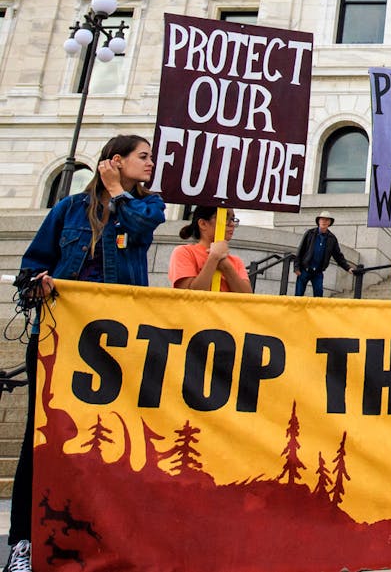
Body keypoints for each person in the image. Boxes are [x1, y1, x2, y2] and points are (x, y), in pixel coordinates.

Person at [15, 134, 165, 572]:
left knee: (114, 436)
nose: (151, 163)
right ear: (114, 161)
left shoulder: (147, 205)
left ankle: (103, 537)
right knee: (40, 436)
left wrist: (119, 191)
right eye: (143, 156)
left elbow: (140, 227)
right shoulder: (67, 210)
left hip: (116, 344)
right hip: (60, 337)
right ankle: (27, 540)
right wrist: (38, 282)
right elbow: (30, 264)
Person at [169, 206, 253, 293]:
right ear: (203, 224)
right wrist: (214, 258)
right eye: (225, 218)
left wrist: (226, 266)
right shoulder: (185, 252)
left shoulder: (236, 261)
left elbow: (247, 297)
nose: (231, 224)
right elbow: (190, 296)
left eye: (232, 219)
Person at [294, 212, 356, 297]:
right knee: (298, 295)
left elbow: (338, 256)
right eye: (322, 219)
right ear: (318, 221)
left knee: (319, 296)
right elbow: (300, 250)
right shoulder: (310, 233)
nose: (324, 221)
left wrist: (348, 268)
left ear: (330, 223)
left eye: (327, 220)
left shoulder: (332, 239)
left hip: (318, 272)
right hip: (304, 270)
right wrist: (296, 267)